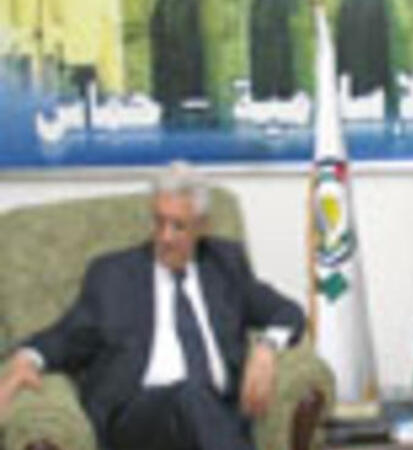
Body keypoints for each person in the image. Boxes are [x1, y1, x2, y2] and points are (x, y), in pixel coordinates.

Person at [0, 161, 305, 450]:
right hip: (137, 417)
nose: (165, 237)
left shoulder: (224, 266)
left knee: (201, 404)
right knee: (190, 396)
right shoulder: (114, 276)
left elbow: (287, 312)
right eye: (159, 222)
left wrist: (266, 348)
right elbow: (66, 336)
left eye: (178, 226)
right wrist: (27, 359)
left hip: (217, 413)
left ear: (202, 227)